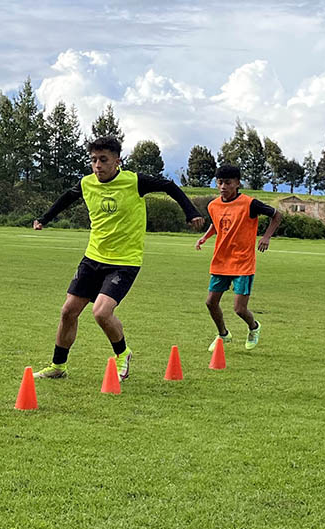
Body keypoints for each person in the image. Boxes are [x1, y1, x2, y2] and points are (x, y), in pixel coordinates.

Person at [31, 136, 205, 380]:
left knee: (101, 313)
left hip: (124, 262)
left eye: (103, 160)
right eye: (93, 160)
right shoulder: (87, 183)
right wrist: (44, 219)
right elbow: (66, 199)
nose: (98, 165)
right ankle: (58, 366)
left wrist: (190, 211)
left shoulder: (134, 181)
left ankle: (123, 354)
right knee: (68, 311)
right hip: (92, 258)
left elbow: (169, 186)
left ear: (117, 161)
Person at [195, 164, 283, 350]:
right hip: (221, 261)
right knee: (210, 302)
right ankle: (223, 335)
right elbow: (216, 224)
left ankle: (254, 327)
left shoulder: (250, 204)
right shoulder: (213, 205)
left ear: (237, 183)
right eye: (219, 182)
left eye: (227, 183)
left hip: (242, 263)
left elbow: (277, 215)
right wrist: (205, 237)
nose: (223, 187)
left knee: (239, 309)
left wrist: (266, 237)